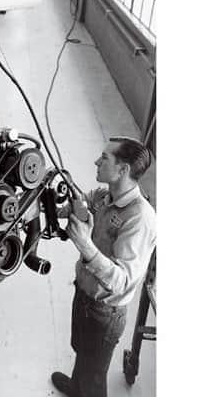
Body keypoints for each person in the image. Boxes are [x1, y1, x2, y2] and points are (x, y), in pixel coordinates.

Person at [50, 137, 156, 397]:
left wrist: (85, 245)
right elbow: (75, 206)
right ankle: (76, 388)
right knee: (82, 352)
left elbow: (121, 280)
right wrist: (49, 196)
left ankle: (84, 389)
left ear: (123, 170)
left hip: (105, 312)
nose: (97, 162)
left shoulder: (140, 219)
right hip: (85, 295)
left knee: (94, 376)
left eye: (104, 158)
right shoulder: (104, 195)